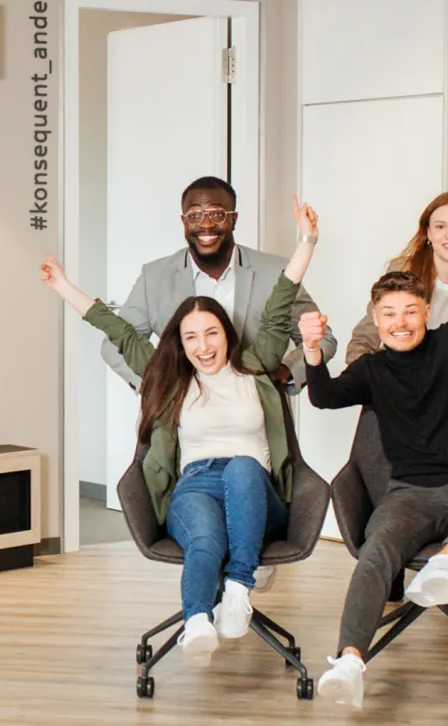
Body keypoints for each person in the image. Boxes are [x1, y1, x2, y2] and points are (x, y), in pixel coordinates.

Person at [42, 195, 320, 669]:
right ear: (180, 343)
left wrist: (307, 240)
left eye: (211, 333)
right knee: (203, 538)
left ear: (227, 334)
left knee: (242, 468)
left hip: (256, 488)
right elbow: (120, 332)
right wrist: (64, 286)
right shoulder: (169, 379)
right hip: (195, 484)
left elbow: (280, 301)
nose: (203, 346)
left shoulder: (256, 367)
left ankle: (239, 588)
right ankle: (197, 622)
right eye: (191, 337)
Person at [298, 236, 448, 708]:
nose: (400, 322)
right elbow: (324, 396)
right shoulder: (371, 370)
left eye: (410, 311)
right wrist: (311, 351)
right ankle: (350, 661)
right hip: (410, 497)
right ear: (375, 320)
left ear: (427, 312)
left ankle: (445, 562)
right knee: (376, 551)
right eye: (389, 314)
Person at [101, 176, 337, 395]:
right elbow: (114, 346)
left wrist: (286, 373)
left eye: (217, 214)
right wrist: (159, 388)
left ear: (234, 219)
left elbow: (323, 339)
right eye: (194, 215)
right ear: (183, 222)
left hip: (260, 417)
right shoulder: (154, 277)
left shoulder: (275, 271)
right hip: (180, 418)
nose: (206, 224)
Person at [345, 191, 448, 388]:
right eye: (440, 227)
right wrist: (373, 380)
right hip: (405, 384)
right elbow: (363, 339)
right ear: (429, 233)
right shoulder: (402, 270)